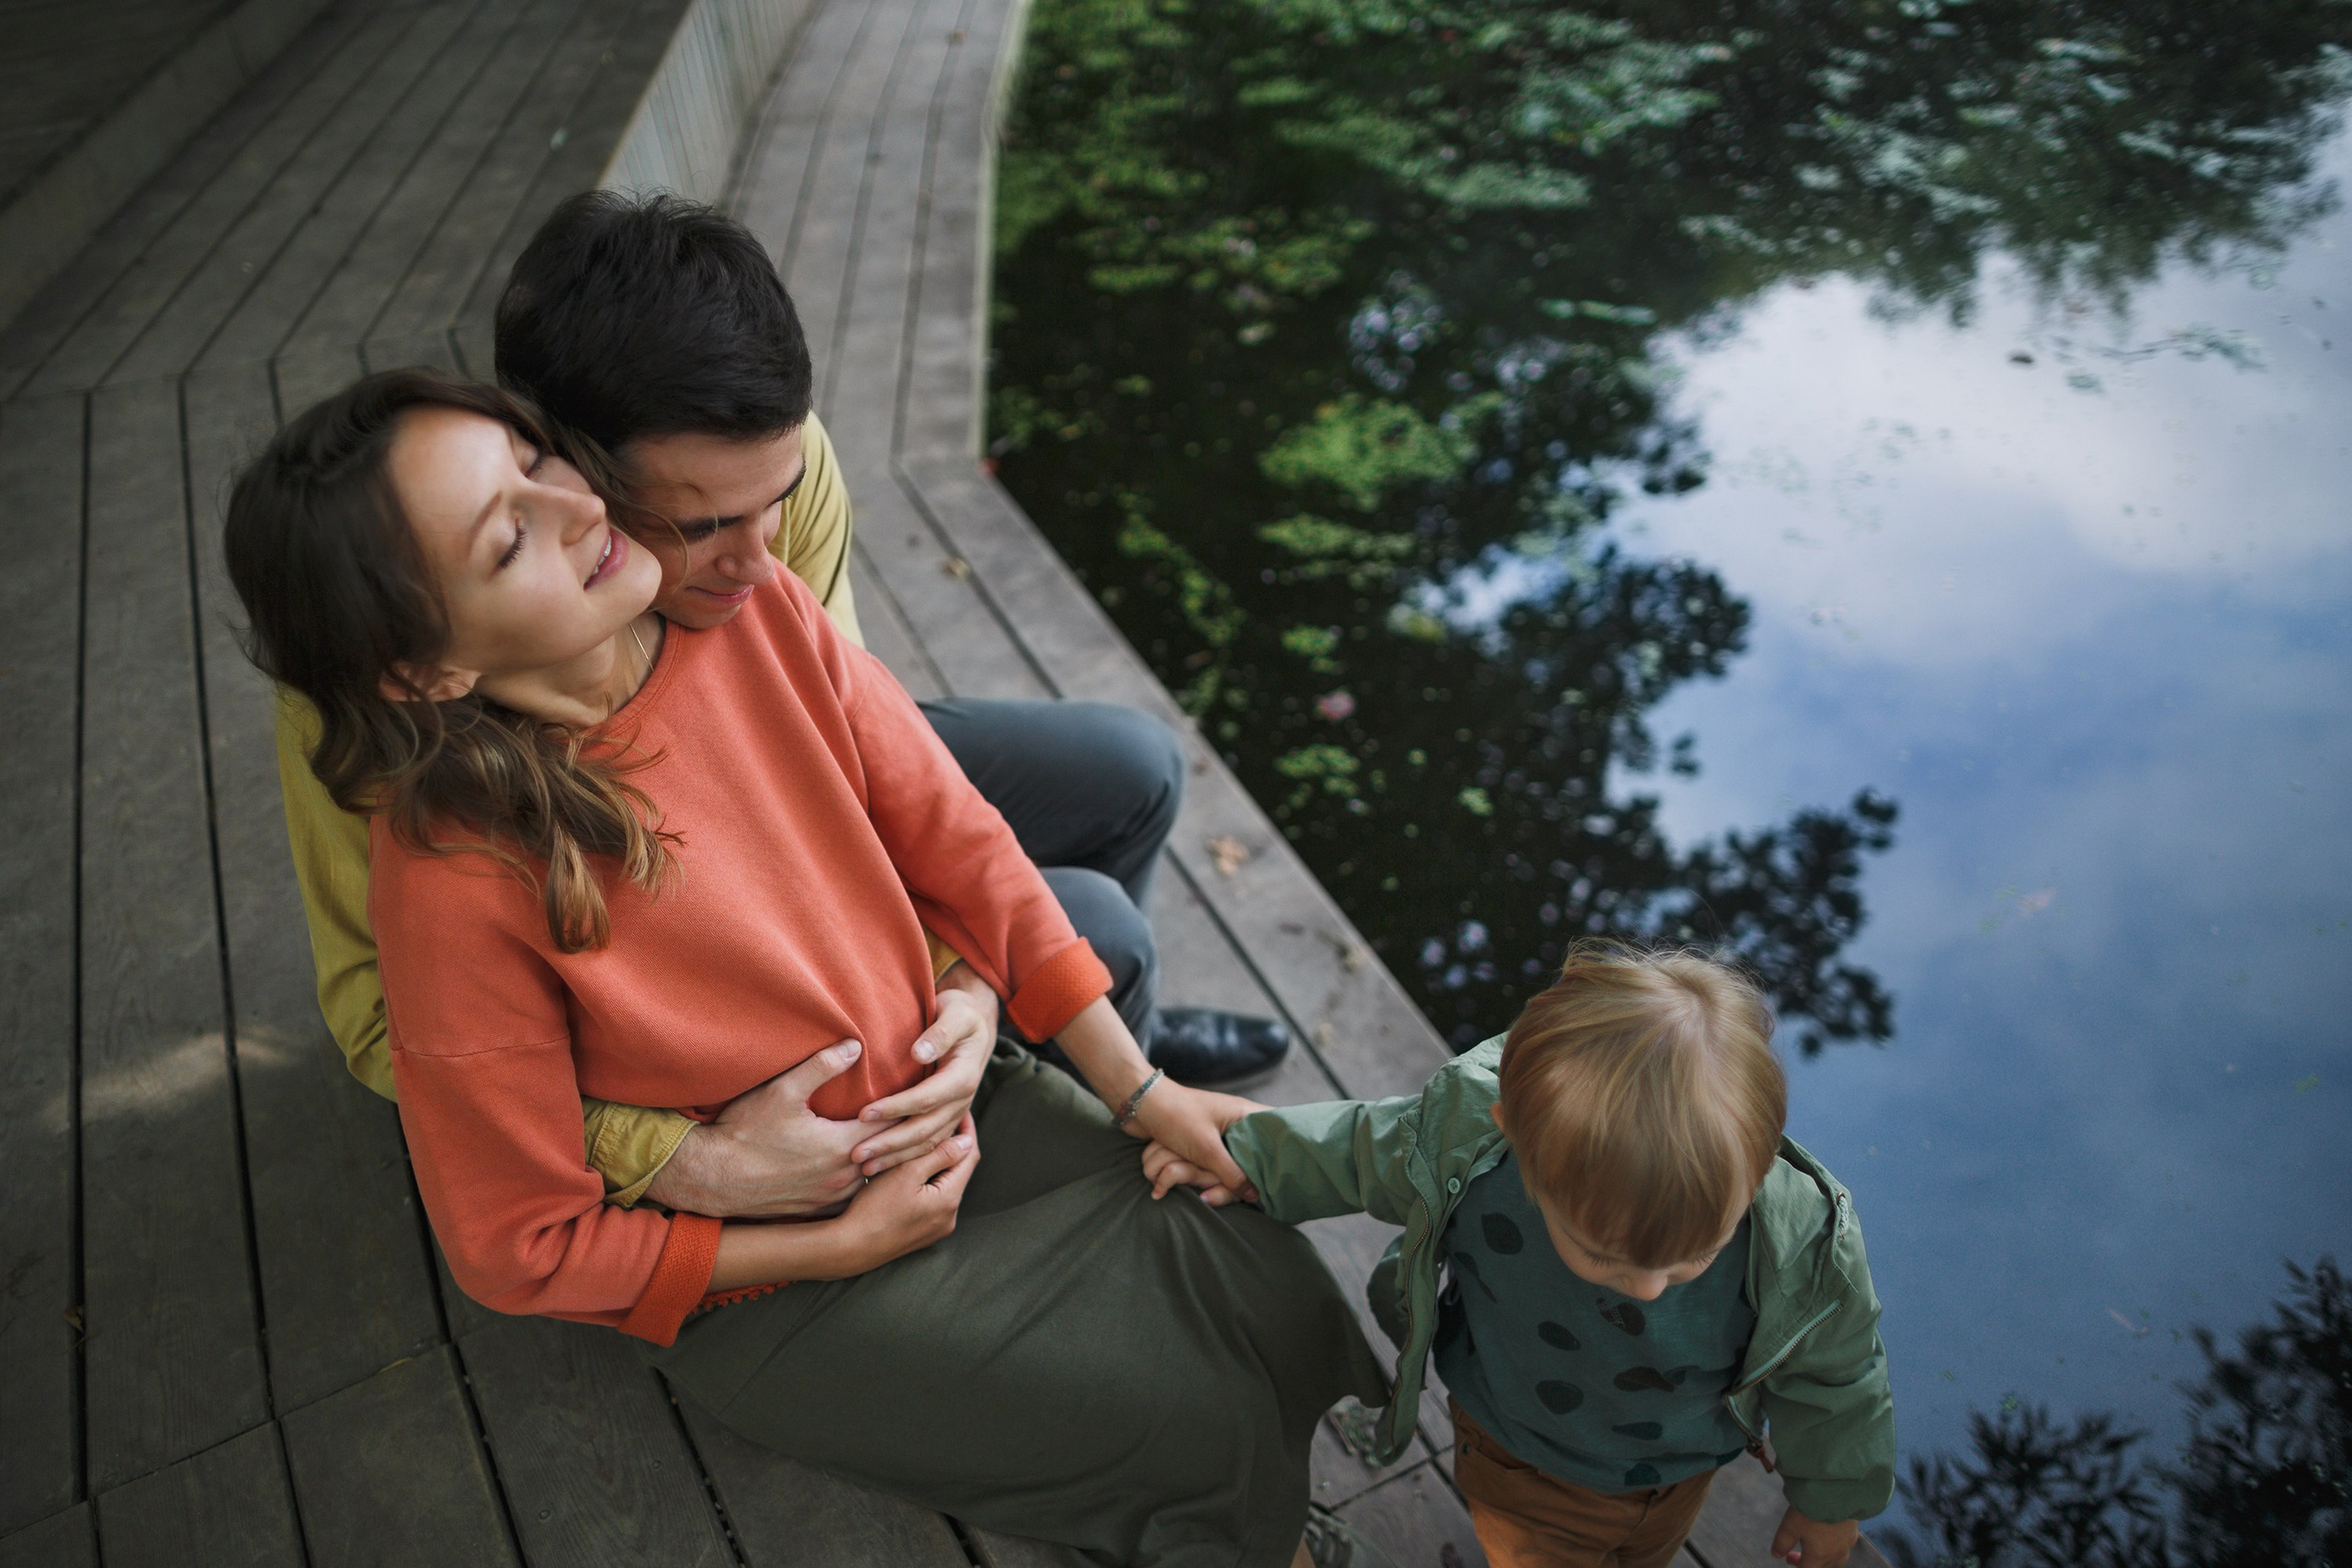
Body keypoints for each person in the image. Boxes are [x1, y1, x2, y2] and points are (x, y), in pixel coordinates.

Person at [225, 369, 1387, 1568]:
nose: (579, 506)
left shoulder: (754, 605)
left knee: (1252, 1257)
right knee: (1170, 1419)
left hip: (964, 1114)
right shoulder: (453, 876)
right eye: (511, 532)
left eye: (536, 460)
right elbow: (516, 1243)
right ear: (427, 670)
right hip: (774, 1274)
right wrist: (830, 1244)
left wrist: (1140, 1088)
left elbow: (964, 845)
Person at [273, 191, 1288, 1222]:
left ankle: (1099, 1039)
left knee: (1133, 768)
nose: (760, 565)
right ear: (575, 472)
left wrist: (970, 982)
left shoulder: (764, 482)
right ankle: (1087, 1035)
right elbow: (373, 1016)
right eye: (701, 524)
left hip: (780, 769)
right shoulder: (387, 674)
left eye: (776, 500)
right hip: (641, 936)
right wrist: (677, 1158)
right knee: (1097, 922)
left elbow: (842, 764)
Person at [1143, 943, 1896, 1568]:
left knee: (1644, 1552)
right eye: (1604, 1253)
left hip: (1678, 1468)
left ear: (1762, 1162)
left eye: (1692, 1255)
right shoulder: (1474, 1142)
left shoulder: (1804, 1242)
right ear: (1515, 1133)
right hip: (1517, 1449)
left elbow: (1840, 1378)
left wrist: (1832, 1501)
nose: (1647, 1287)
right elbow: (1361, 1148)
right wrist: (1250, 1154)